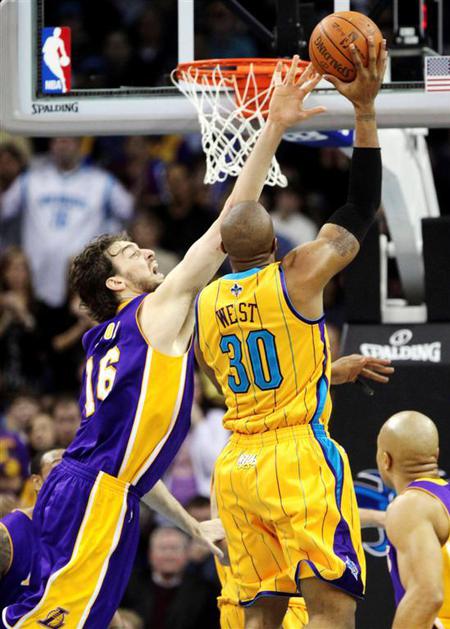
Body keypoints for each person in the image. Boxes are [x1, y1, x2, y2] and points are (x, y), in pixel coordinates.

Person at [1, 56, 325, 628]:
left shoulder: (103, 344)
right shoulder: (153, 312)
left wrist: (192, 526)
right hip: (93, 501)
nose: (147, 252)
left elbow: (133, 468)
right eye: (131, 253)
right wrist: (273, 125)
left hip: (91, 492)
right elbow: (229, 225)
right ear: (116, 284)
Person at [195, 40, 387, 629]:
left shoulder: (204, 303)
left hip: (236, 465)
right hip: (296, 456)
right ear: (276, 245)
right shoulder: (297, 274)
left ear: (224, 251)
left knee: (260, 617)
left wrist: (323, 373)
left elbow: (242, 374)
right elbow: (362, 207)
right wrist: (364, 110)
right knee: (330, 610)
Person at [0, 137, 134, 308]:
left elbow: (130, 211)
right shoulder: (30, 180)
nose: (62, 145)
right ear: (51, 145)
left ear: (79, 145)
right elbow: (4, 210)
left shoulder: (102, 181)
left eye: (68, 140)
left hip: (81, 286)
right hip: (35, 281)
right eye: (57, 140)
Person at [376, 411, 450, 629]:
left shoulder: (409, 506)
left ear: (385, 460)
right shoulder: (435, 503)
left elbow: (427, 595)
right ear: (436, 455)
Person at [0, 449, 64, 609]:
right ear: (37, 482)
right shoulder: (8, 533)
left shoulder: (85, 532)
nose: (68, 480)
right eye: (58, 470)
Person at [122, 526, 220, 629]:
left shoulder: (205, 592)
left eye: (174, 549)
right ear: (150, 554)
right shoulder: (128, 586)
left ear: (186, 554)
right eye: (163, 548)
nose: (168, 555)